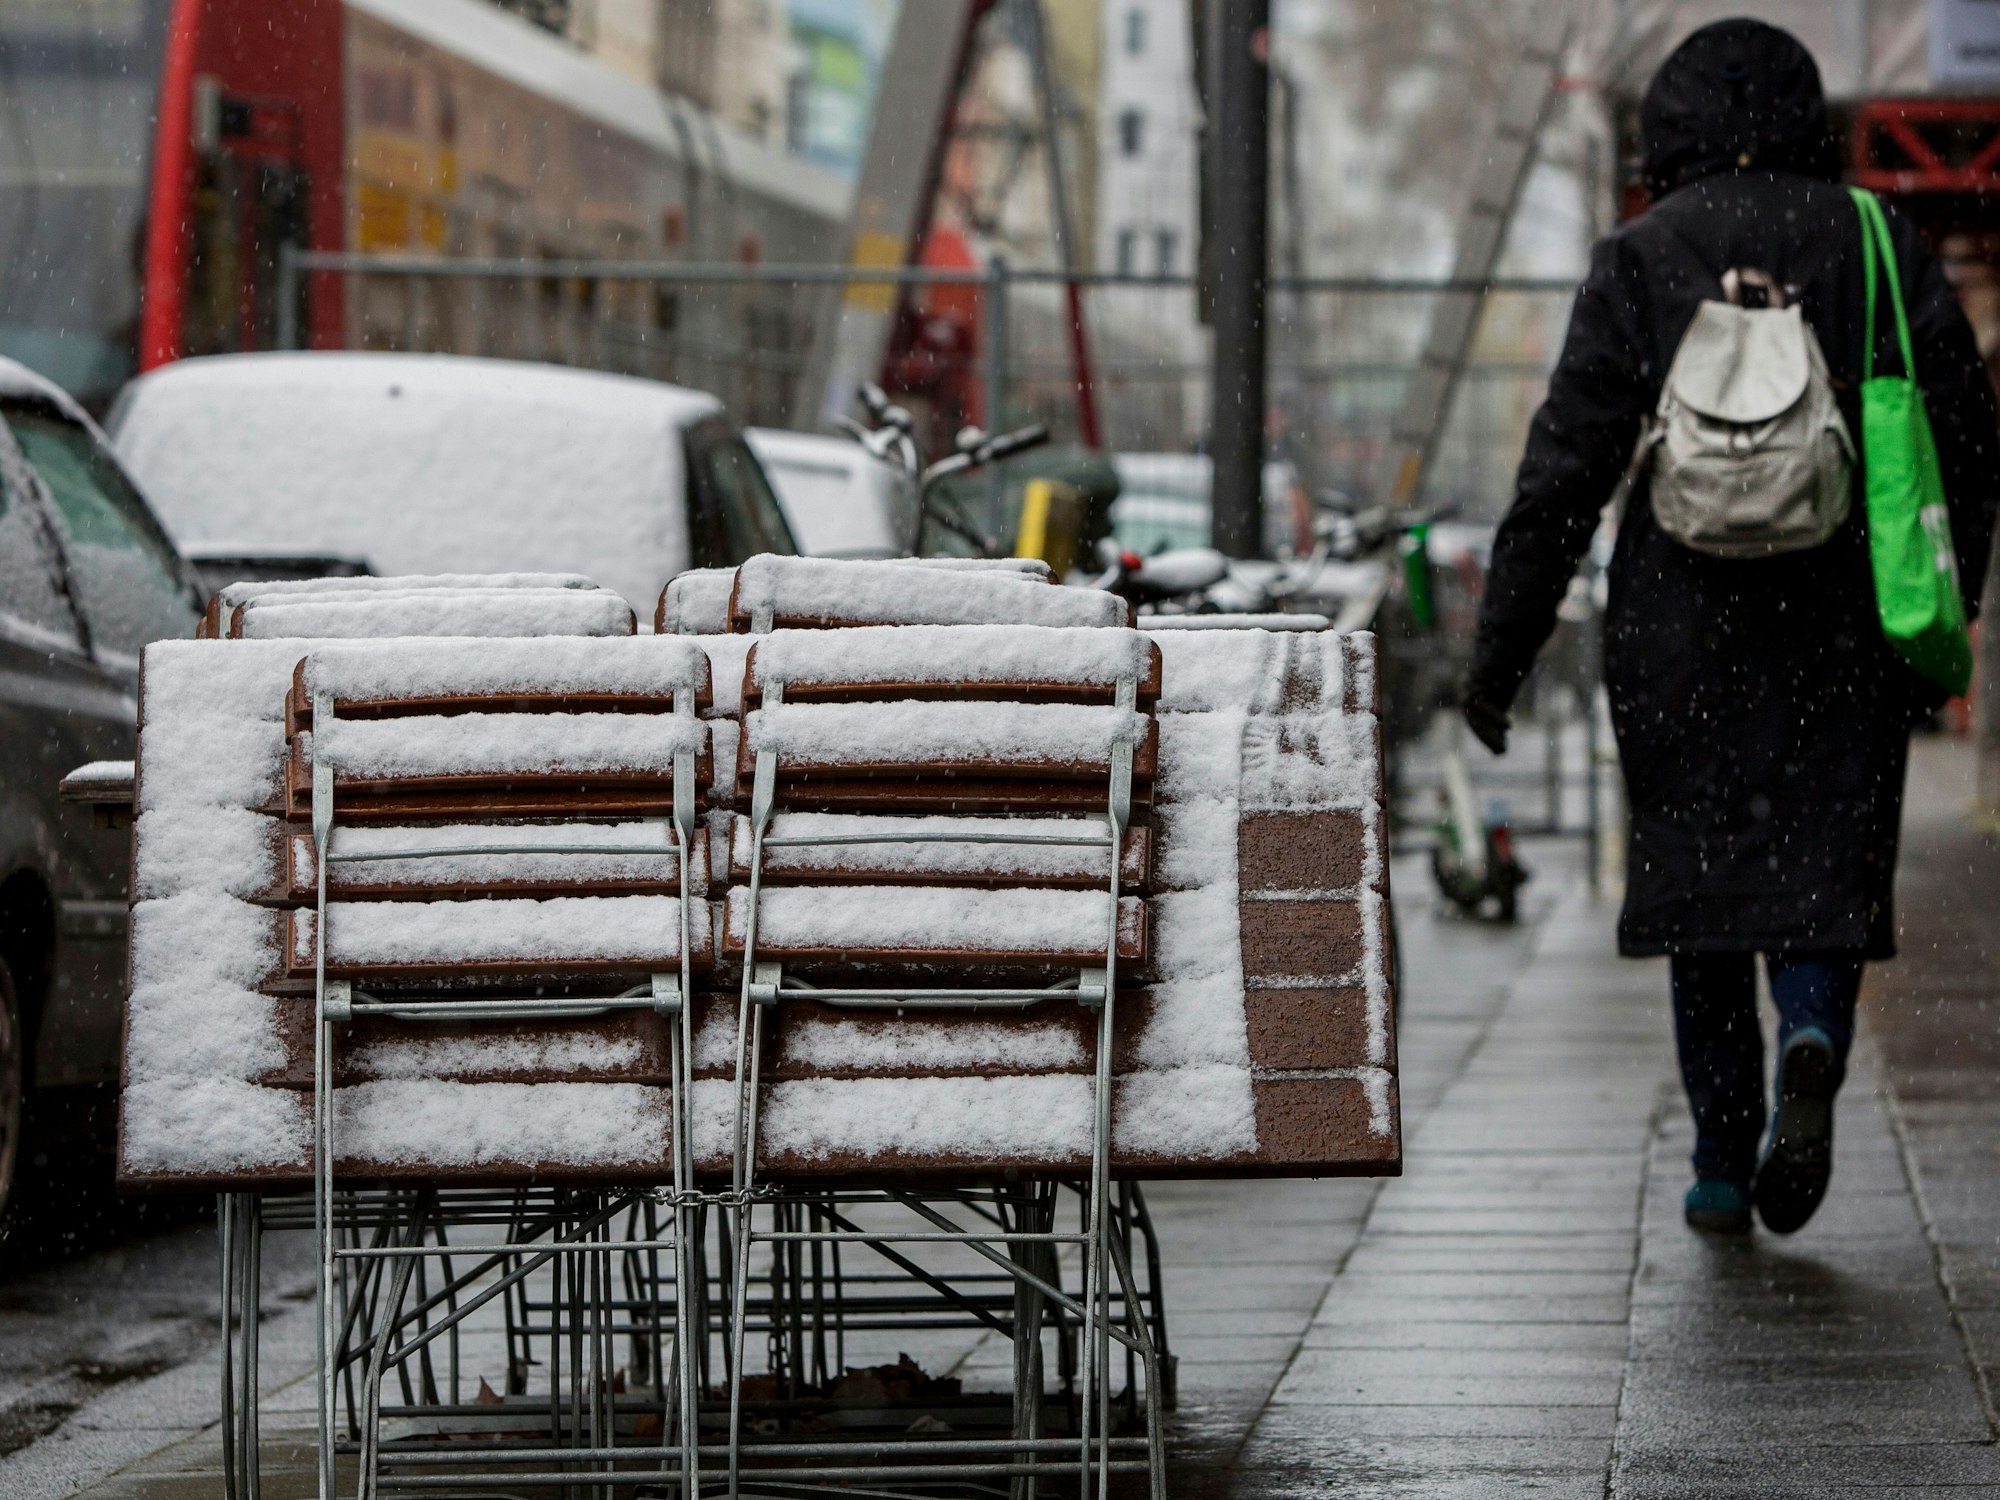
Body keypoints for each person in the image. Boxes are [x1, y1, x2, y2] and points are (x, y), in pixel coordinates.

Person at [1462, 19, 1999, 1236]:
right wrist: (1943, 609)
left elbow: (1561, 476)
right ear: (1807, 118)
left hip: (1678, 631)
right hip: (1842, 621)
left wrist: (1497, 659)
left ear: (1673, 129)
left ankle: (1718, 1152)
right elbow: (1961, 442)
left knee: (1699, 887)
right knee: (1822, 868)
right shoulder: (1874, 240)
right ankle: (1811, 1026)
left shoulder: (1641, 255)